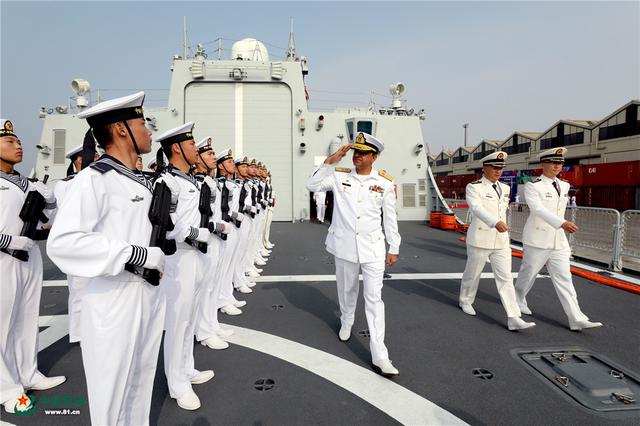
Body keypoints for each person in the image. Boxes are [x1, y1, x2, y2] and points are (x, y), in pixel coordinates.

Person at [47, 92, 165, 425]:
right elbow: (65, 242)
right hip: (114, 299)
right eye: (143, 124)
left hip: (148, 294)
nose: (149, 131)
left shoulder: (141, 183)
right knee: (111, 398)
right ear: (122, 129)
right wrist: (135, 254)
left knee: (140, 386)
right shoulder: (93, 180)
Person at [306, 132, 401, 377]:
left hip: (373, 248)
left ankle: (380, 354)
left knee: (374, 299)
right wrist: (331, 160)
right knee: (347, 289)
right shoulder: (338, 177)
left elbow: (390, 218)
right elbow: (312, 185)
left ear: (374, 157)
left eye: (363, 153)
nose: (357, 156)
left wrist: (394, 246)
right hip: (345, 246)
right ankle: (347, 319)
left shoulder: (385, 183)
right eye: (355, 152)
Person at [155, 123, 226, 410]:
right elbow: (165, 225)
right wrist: (199, 234)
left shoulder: (190, 181)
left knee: (189, 317)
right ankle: (177, 383)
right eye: (191, 143)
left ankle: (187, 368)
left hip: (195, 256)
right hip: (178, 258)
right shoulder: (167, 183)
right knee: (177, 322)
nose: (195, 148)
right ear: (176, 148)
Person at [0, 119, 66, 415]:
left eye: (17, 140)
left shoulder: (26, 182)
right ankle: (6, 388)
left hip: (29, 257)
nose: (19, 144)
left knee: (26, 319)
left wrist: (50, 198)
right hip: (3, 259)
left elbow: (47, 214)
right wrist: (8, 241)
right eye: (9, 141)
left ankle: (28, 373)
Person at [514, 147, 602, 331]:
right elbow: (538, 209)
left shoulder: (564, 185)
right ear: (543, 164)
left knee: (565, 279)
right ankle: (518, 300)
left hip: (558, 241)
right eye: (553, 163)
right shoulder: (533, 185)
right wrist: (562, 223)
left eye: (560, 163)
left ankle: (576, 318)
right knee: (528, 275)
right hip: (538, 238)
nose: (557, 166)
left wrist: (561, 226)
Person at [458, 151, 535, 331]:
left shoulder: (505, 188)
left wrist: (501, 225)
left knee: (506, 278)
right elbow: (476, 208)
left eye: (500, 168)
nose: (498, 171)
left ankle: (514, 317)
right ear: (485, 168)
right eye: (494, 167)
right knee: (473, 274)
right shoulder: (474, 187)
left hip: (500, 240)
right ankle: (465, 300)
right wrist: (495, 222)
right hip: (480, 237)